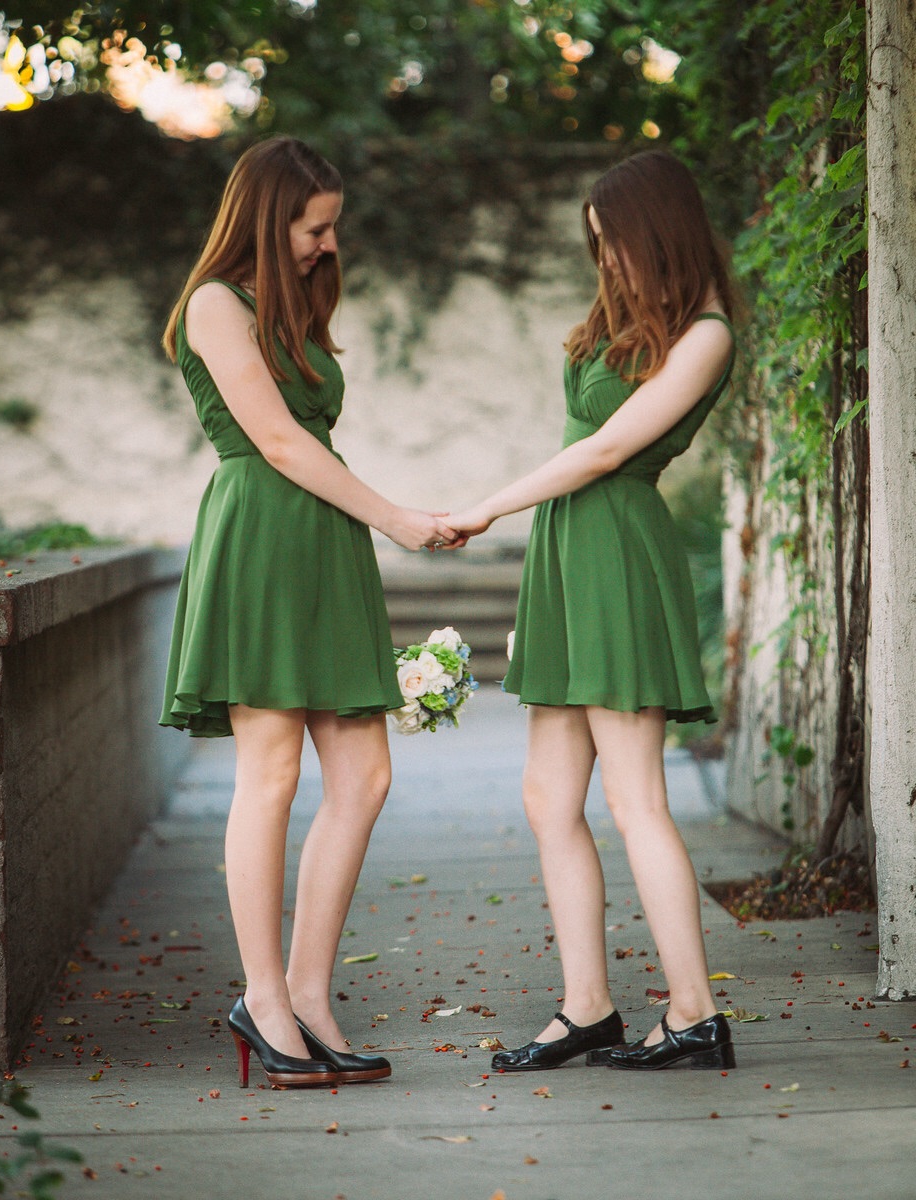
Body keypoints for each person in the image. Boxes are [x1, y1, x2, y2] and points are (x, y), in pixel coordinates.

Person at [159, 136, 458, 1089]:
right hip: (261, 540)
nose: (328, 246)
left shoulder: (295, 309)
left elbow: (310, 442)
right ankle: (263, 996)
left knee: (364, 777)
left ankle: (309, 991)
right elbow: (282, 444)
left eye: (333, 229)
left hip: (327, 545)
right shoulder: (214, 304)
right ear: (266, 215)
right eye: (315, 227)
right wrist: (400, 518)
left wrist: (374, 523)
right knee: (272, 776)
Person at [445, 150, 737, 1072]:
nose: (603, 259)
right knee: (547, 797)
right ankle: (587, 1007)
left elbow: (607, 451)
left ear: (657, 231)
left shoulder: (706, 335)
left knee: (634, 796)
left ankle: (694, 1011)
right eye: (596, 244)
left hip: (616, 554)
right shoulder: (623, 324)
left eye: (614, 241)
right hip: (571, 556)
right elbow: (583, 447)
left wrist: (489, 504)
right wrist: (543, 600)